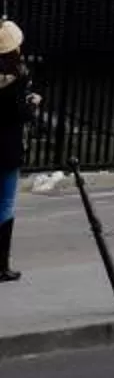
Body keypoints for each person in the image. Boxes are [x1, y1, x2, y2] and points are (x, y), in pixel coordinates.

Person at [0, 18, 35, 283]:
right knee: (5, 204)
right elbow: (19, 113)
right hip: (7, 148)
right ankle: (1, 265)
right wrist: (33, 105)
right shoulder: (16, 79)